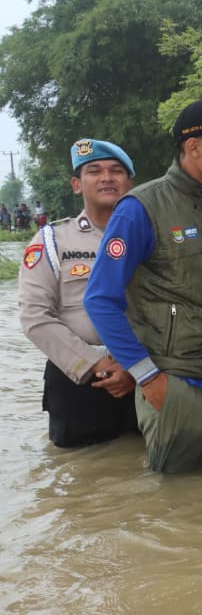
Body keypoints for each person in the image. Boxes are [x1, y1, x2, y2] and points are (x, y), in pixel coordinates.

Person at [84, 99, 202, 473]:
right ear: (194, 147)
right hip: (175, 380)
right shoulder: (141, 208)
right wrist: (146, 375)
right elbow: (100, 299)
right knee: (178, 505)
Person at [19, 139, 138, 447]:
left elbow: (172, 307)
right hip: (76, 379)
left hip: (145, 372)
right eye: (94, 171)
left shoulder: (152, 237)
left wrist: (134, 363)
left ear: (130, 183)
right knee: (81, 479)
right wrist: (96, 364)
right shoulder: (51, 240)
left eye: (116, 171)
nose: (106, 178)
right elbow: (35, 316)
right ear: (76, 184)